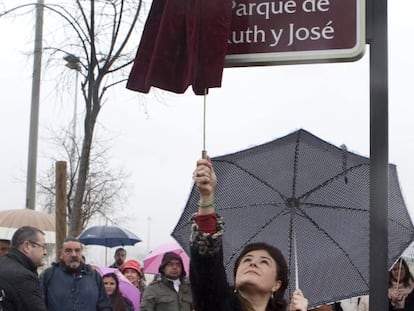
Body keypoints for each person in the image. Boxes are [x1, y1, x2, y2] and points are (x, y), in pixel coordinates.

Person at [190, 157, 308, 311]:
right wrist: (207, 197)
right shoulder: (219, 304)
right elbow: (207, 265)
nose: (252, 263)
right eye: (246, 260)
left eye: (264, 262)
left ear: (276, 284)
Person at [39, 237, 112, 311]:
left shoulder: (94, 276)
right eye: (68, 251)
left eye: (77, 250)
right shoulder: (48, 275)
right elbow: (39, 305)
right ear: (61, 254)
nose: (74, 254)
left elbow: (104, 305)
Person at [0, 226, 48, 310]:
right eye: (43, 247)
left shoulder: (4, 265)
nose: (45, 252)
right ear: (27, 246)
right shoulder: (23, 277)